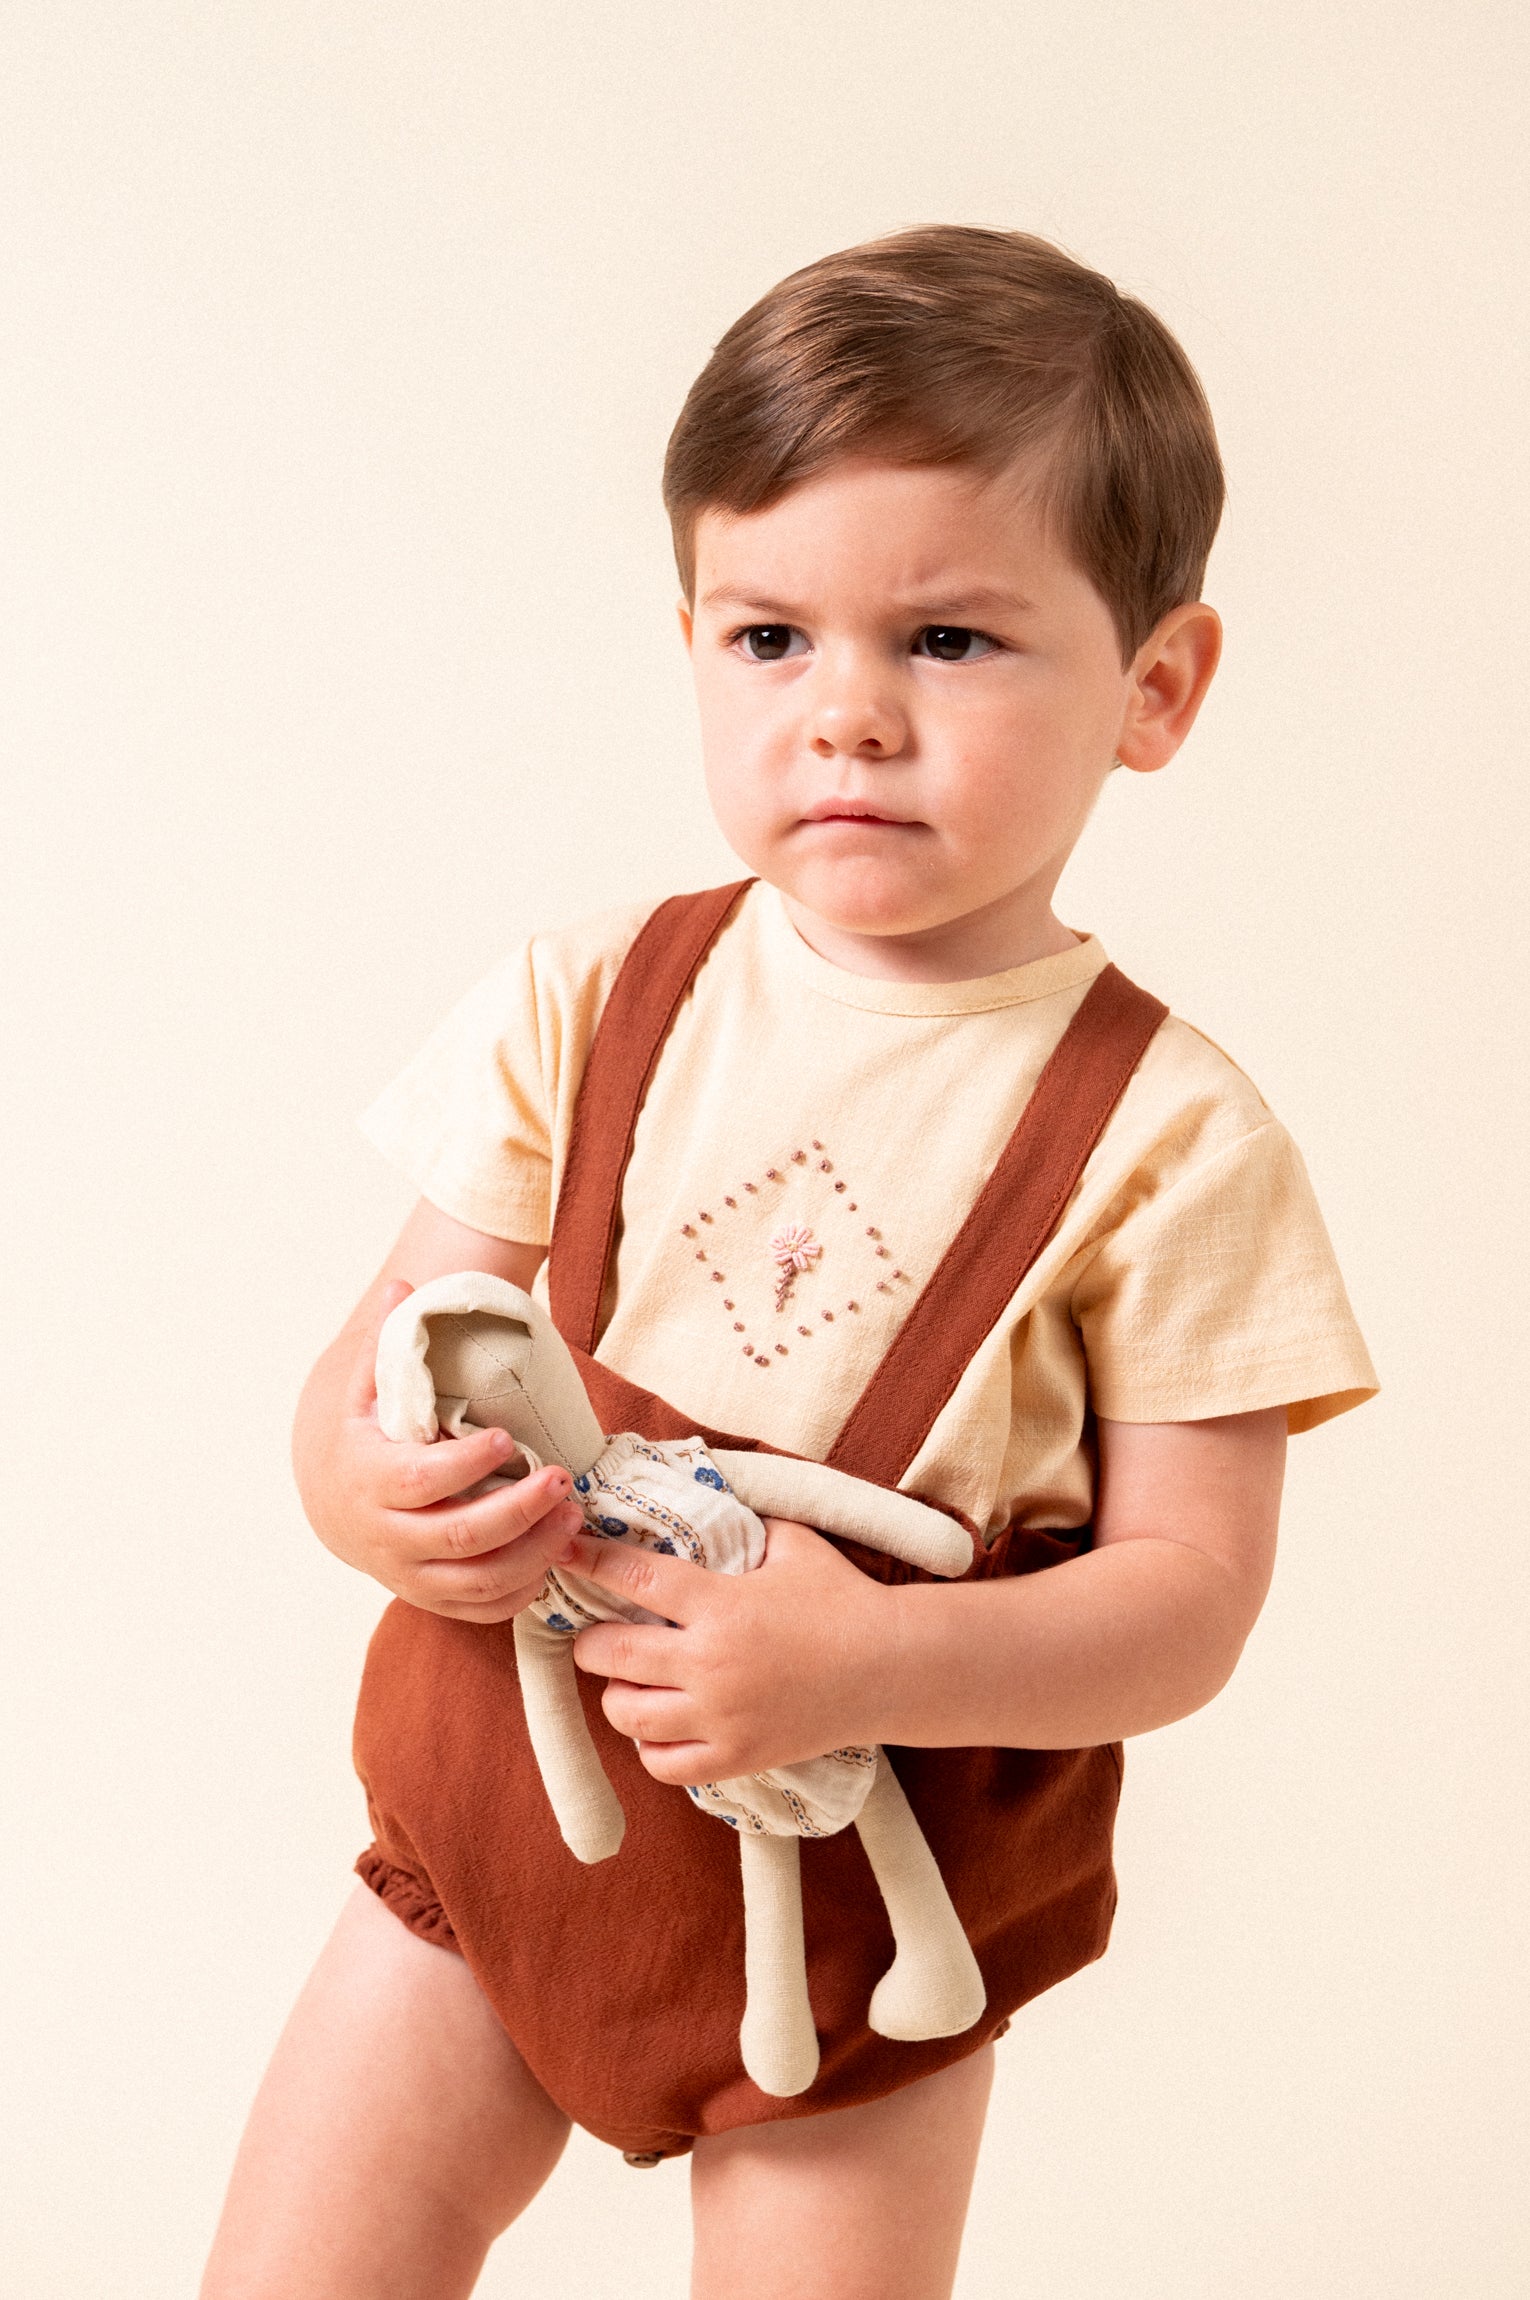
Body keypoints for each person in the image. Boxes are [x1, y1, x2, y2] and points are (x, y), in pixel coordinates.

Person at [201, 227, 1376, 2300]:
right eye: (768, 637)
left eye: (948, 639)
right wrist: (365, 1497)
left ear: (1156, 688)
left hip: (858, 1944)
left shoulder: (1174, 1141)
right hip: (488, 1833)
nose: (846, 715)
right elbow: (375, 1359)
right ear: (690, 641)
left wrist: (872, 1666)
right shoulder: (585, 1001)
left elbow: (1188, 1606)